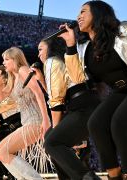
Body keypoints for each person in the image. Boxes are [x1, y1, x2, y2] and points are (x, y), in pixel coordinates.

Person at [59, 1, 127, 179]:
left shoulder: (124, 30)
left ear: (98, 13)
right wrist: (70, 45)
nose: (78, 16)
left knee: (120, 122)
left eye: (83, 11)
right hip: (122, 90)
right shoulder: (85, 48)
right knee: (96, 124)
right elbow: (77, 78)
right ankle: (114, 176)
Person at [34, 37, 100, 180]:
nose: (38, 54)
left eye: (40, 49)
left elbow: (56, 101)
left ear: (50, 49)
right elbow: (59, 93)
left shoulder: (52, 61)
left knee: (52, 142)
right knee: (51, 139)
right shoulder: (63, 60)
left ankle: (86, 177)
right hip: (89, 104)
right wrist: (41, 80)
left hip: (82, 107)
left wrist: (56, 129)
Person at [0, 47, 51, 180]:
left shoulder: (23, 70)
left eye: (7, 59)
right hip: (28, 122)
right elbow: (2, 101)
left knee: (1, 151)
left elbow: (39, 93)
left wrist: (46, 119)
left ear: (15, 60)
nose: (4, 63)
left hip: (35, 121)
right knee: (0, 152)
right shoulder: (14, 77)